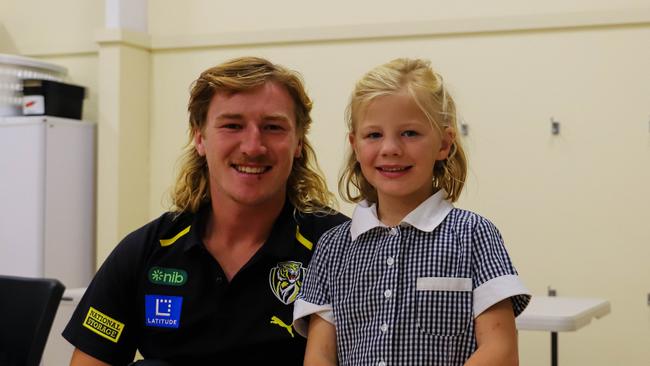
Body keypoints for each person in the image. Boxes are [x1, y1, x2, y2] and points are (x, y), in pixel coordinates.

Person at [62, 56, 348, 365]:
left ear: (298, 142)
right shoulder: (148, 250)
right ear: (200, 138)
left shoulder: (341, 248)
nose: (253, 146)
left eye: (273, 127)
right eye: (232, 125)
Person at [293, 58, 531, 366]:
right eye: (374, 135)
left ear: (444, 144)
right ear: (355, 145)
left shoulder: (474, 235)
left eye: (410, 133)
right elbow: (320, 356)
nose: (390, 148)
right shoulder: (332, 249)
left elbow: (500, 351)